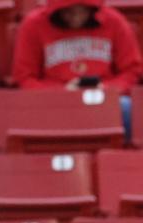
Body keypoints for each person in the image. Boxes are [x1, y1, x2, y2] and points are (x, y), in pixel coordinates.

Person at [11, 0, 142, 141]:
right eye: (68, 12)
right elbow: (24, 78)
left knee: (127, 108)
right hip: (53, 103)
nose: (75, 17)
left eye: (82, 11)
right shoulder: (33, 24)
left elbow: (132, 70)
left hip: (103, 99)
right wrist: (62, 92)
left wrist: (108, 89)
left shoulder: (114, 21)